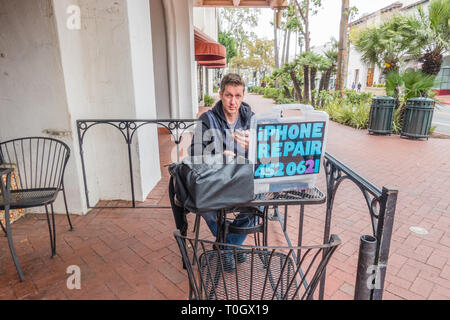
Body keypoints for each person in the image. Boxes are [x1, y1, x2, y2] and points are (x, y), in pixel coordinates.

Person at [188, 73, 257, 269]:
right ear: (220, 94)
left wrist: (257, 144)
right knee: (204, 205)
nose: (233, 101)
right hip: (216, 181)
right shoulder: (207, 119)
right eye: (228, 95)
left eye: (238, 96)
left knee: (259, 204)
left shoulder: (252, 119)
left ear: (243, 96)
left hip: (243, 181)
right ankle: (233, 247)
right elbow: (194, 153)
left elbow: (268, 153)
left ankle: (227, 247)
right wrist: (218, 157)